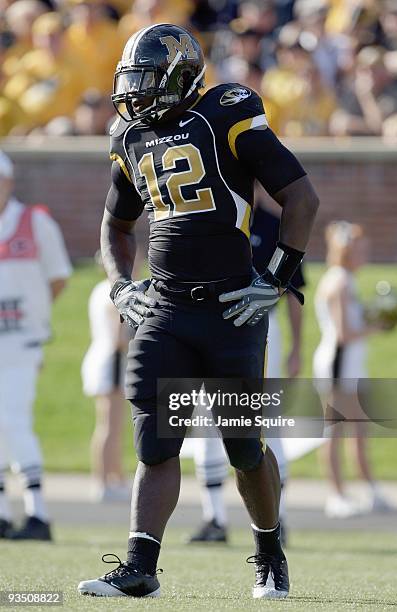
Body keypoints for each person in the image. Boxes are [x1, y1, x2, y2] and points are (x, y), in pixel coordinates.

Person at [77, 23, 318, 600]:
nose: (135, 92)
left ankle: (269, 554)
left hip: (231, 305)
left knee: (243, 445)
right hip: (163, 306)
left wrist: (278, 278)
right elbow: (115, 224)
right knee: (155, 441)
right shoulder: (130, 136)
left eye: (146, 79)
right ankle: (140, 566)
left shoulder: (226, 112)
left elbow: (301, 199)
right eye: (130, 80)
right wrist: (119, 285)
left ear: (183, 77)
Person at [189, 199, 305, 545]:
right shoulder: (206, 215)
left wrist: (298, 346)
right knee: (207, 421)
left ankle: (276, 517)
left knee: (266, 422)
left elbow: (295, 290)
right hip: (208, 320)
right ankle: (214, 518)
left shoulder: (273, 224)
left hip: (260, 322)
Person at [0, 150, 72, 540]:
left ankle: (38, 514)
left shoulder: (35, 221)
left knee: (14, 419)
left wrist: (32, 317)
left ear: (8, 182)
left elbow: (59, 278)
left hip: (22, 341)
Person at [313, 221, 389, 518]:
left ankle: (370, 490)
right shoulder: (339, 282)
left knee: (360, 430)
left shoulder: (348, 279)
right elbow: (344, 333)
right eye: (359, 248)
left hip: (352, 364)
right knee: (335, 431)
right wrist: (377, 327)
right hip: (338, 363)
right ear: (346, 251)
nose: (365, 252)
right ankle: (336, 495)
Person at [81, 267, 132, 503]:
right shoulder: (114, 294)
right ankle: (102, 481)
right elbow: (119, 338)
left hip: (101, 358)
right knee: (109, 426)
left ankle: (115, 478)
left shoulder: (99, 289)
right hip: (111, 362)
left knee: (112, 426)